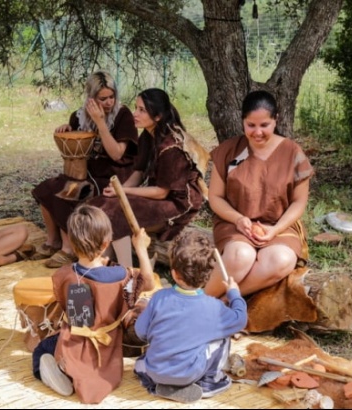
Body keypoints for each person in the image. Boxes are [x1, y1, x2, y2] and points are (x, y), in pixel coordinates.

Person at [31, 204, 155, 404]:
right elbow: (147, 282)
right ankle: (73, 373)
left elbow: (73, 305)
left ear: (71, 240)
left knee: (41, 349)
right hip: (108, 344)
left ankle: (59, 372)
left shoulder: (65, 275)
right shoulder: (122, 275)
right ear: (106, 244)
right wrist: (141, 250)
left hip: (75, 343)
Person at [205, 90, 314, 298]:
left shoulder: (293, 153)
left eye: (264, 125)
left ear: (276, 120)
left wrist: (275, 230)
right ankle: (204, 300)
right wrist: (238, 220)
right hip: (234, 224)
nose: (257, 132)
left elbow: (299, 202)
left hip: (278, 226)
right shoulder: (229, 151)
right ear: (242, 121)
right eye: (251, 125)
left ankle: (224, 302)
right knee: (241, 256)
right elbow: (215, 197)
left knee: (281, 260)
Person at [88, 88, 208, 267]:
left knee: (116, 215)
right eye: (136, 108)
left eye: (142, 110)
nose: (135, 114)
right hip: (160, 196)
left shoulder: (170, 146)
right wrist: (117, 193)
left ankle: (126, 272)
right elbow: (139, 172)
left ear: (158, 116)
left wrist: (123, 191)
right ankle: (104, 266)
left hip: (178, 204)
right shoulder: (147, 136)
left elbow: (162, 192)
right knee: (100, 203)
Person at [31, 70, 139, 269]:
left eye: (111, 97)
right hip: (86, 172)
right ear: (91, 98)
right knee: (47, 188)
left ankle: (69, 248)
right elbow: (75, 152)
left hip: (113, 175)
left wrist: (100, 122)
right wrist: (67, 132)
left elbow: (117, 154)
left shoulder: (122, 115)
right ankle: (53, 240)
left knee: (68, 192)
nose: (108, 102)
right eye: (102, 98)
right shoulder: (79, 117)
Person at [132, 230, 247, 403]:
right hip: (188, 373)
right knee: (223, 336)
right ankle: (210, 382)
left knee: (145, 359)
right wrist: (234, 295)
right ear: (207, 276)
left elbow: (141, 332)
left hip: (156, 370)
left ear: (173, 273)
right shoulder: (215, 308)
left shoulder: (158, 298)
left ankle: (152, 379)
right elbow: (240, 319)